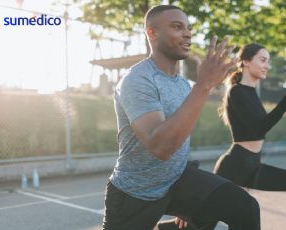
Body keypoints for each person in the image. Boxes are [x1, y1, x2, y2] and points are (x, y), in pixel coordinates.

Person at [102, 5, 261, 230]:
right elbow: (161, 147)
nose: (188, 33)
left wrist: (192, 200)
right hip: (135, 194)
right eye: (177, 27)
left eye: (189, 28)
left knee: (245, 207)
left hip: (176, 181)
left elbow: (180, 137)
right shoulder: (137, 81)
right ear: (152, 33)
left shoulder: (183, 85)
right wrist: (204, 85)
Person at [213, 43, 286, 230]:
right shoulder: (236, 92)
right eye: (262, 60)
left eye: (268, 62)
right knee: (198, 225)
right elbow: (259, 129)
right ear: (245, 61)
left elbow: (260, 127)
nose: (267, 66)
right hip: (234, 166)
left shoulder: (251, 93)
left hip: (253, 166)